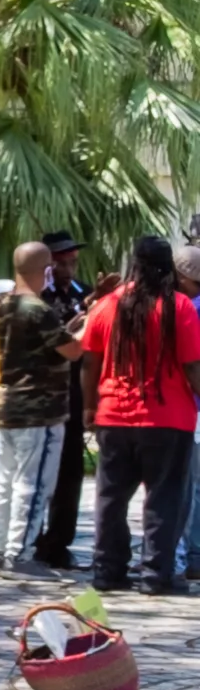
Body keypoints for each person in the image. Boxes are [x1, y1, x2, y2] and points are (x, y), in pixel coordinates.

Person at [80, 233, 200, 593]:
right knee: (163, 497)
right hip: (168, 417)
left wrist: (88, 405)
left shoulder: (108, 305)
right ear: (170, 268)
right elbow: (193, 368)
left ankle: (107, 571)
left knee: (111, 498)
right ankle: (155, 574)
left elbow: (89, 360)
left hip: (114, 415)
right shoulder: (179, 307)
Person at [0, 240, 85, 575]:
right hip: (39, 410)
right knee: (34, 484)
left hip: (9, 406)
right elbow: (72, 352)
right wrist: (85, 328)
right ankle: (21, 554)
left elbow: (41, 345)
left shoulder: (3, 306)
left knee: (7, 483)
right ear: (45, 270)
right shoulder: (38, 309)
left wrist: (65, 332)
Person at [37, 230, 92, 570]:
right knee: (38, 474)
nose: (68, 268)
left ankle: (58, 542)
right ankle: (29, 539)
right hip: (42, 396)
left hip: (73, 394)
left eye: (72, 261)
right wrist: (74, 324)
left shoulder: (85, 293)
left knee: (70, 474)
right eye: (61, 262)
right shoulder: (36, 298)